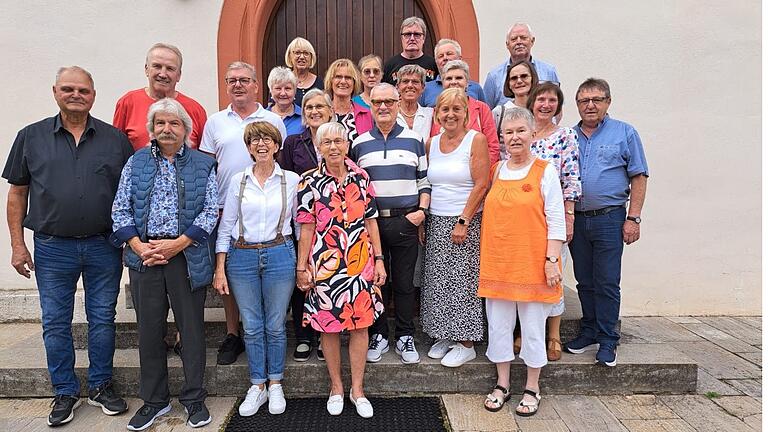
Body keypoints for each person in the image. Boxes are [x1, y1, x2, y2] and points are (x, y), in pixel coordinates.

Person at [3, 66, 133, 427]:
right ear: (55, 91)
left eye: (83, 90)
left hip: (103, 245)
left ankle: (101, 385)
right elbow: (17, 195)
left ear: (93, 95)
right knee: (56, 321)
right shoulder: (30, 137)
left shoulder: (115, 140)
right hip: (51, 247)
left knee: (103, 319)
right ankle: (64, 391)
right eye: (68, 89)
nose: (76, 95)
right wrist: (17, 244)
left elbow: (129, 196)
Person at [111, 98, 218, 430]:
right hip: (145, 258)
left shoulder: (204, 163)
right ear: (151, 129)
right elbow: (120, 209)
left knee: (191, 330)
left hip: (185, 255)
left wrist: (177, 245)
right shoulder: (136, 162)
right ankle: (154, 401)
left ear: (186, 129)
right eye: (160, 123)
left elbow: (211, 211)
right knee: (149, 331)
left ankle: (193, 399)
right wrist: (140, 246)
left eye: (174, 123)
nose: (167, 129)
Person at [478, 107, 565, 417]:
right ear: (501, 137)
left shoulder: (545, 170)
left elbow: (556, 219)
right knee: (499, 327)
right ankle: (502, 383)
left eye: (520, 131)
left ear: (532, 134)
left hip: (532, 265)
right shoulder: (496, 170)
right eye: (508, 132)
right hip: (498, 264)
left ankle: (532, 386)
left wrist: (552, 259)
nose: (514, 137)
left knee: (531, 329)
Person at [296, 122, 387, 418]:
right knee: (328, 326)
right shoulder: (308, 181)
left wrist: (380, 259)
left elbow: (371, 220)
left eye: (338, 141)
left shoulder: (361, 178)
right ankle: (336, 387)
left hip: (360, 261)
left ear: (347, 145)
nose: (333, 147)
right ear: (319, 147)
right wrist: (302, 267)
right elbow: (306, 227)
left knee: (360, 325)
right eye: (327, 142)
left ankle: (357, 389)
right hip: (325, 264)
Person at [200, 61, 287, 366]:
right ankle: (233, 333)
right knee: (233, 279)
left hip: (267, 205)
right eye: (231, 80)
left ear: (255, 85)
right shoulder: (214, 123)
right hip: (227, 206)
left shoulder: (273, 120)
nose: (237, 85)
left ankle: (267, 337)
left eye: (244, 80)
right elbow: (208, 167)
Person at [213, 121, 300, 417]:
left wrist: (303, 263)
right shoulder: (239, 180)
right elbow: (225, 227)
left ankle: (275, 382)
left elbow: (301, 226)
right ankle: (257, 385)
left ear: (277, 146)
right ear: (249, 148)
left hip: (280, 253)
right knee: (251, 324)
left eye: (267, 139)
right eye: (254, 141)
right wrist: (220, 267)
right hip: (242, 257)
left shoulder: (291, 179)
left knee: (275, 324)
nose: (261, 144)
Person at [564, 78, 649, 367]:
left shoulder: (624, 133)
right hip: (578, 220)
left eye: (596, 99)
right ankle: (589, 330)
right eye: (584, 100)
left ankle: (608, 339)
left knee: (607, 281)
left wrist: (633, 218)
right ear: (577, 105)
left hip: (609, 218)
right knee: (584, 281)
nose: (590, 105)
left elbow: (639, 175)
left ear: (607, 102)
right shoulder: (569, 137)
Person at [350, 83, 430, 365]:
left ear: (398, 104)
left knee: (406, 283)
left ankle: (406, 335)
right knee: (377, 281)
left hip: (406, 220)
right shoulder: (359, 143)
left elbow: (424, 180)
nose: (383, 107)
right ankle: (379, 334)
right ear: (370, 106)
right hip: (372, 225)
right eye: (377, 102)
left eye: (388, 102)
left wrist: (421, 211)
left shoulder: (414, 139)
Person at [422, 88, 489, 368]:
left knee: (462, 282)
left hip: (465, 220)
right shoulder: (432, 143)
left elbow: (482, 183)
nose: (450, 115)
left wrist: (463, 219)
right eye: (444, 110)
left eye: (456, 109)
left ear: (466, 113)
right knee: (439, 281)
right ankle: (446, 334)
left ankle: (467, 343)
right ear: (437, 114)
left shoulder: (476, 140)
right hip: (437, 218)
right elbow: (429, 182)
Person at [277, 88, 334, 361]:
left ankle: (326, 334)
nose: (313, 111)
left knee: (327, 276)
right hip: (302, 220)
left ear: (330, 111)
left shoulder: (338, 139)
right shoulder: (292, 143)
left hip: (333, 221)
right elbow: (285, 181)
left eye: (319, 106)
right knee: (303, 273)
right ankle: (303, 335)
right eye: (309, 106)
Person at [527, 82, 581, 361]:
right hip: (523, 218)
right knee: (525, 274)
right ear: (532, 103)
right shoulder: (522, 134)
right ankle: (525, 331)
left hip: (553, 216)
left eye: (551, 100)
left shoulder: (565, 136)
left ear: (558, 106)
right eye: (541, 99)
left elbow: (571, 179)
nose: (545, 105)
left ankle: (554, 334)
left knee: (553, 273)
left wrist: (569, 217)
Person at [113, 42, 207, 150]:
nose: (162, 74)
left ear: (179, 75)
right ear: (146, 70)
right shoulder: (127, 103)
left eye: (170, 68)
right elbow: (117, 150)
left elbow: (203, 158)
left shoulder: (195, 110)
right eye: (157, 66)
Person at [430, 60, 499, 164]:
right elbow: (433, 148)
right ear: (443, 84)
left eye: (459, 78)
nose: (453, 82)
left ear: (467, 83)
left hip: (475, 174)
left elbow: (493, 147)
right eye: (449, 78)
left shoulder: (482, 109)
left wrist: (481, 172)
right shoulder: (437, 111)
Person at [483, 23, 559, 109]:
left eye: (523, 38)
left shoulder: (549, 71)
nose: (519, 42)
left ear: (532, 41)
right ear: (507, 44)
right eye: (514, 39)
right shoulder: (493, 76)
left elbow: (557, 108)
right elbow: (486, 111)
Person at [492, 60, 539, 160]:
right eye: (513, 78)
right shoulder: (499, 113)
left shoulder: (541, 111)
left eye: (524, 76)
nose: (519, 81)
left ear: (533, 79)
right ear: (508, 84)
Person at [420, 39, 486, 107]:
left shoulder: (476, 88)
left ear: (460, 58)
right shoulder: (426, 88)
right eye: (441, 56)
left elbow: (483, 112)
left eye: (449, 54)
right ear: (436, 62)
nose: (445, 58)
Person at [324, 58, 373, 141]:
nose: (343, 81)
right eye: (338, 77)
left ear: (354, 83)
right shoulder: (322, 112)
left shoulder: (366, 114)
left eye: (348, 78)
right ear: (330, 81)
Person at [382, 16, 439, 85]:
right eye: (407, 34)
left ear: (423, 38)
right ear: (401, 38)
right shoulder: (390, 66)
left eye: (417, 34)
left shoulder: (434, 64)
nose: (412, 38)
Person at [396, 65, 433, 142]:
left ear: (423, 87)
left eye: (415, 82)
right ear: (398, 87)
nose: (410, 85)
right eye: (405, 81)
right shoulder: (390, 114)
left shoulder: (430, 114)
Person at [285, 37, 324, 105]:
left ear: (311, 57)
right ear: (290, 56)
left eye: (306, 53)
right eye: (297, 53)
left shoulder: (320, 83)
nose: (302, 57)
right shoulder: (282, 81)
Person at [267, 66, 304, 136]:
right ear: (271, 91)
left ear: (295, 91)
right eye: (278, 88)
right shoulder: (262, 117)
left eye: (287, 88)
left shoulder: (304, 117)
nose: (283, 93)